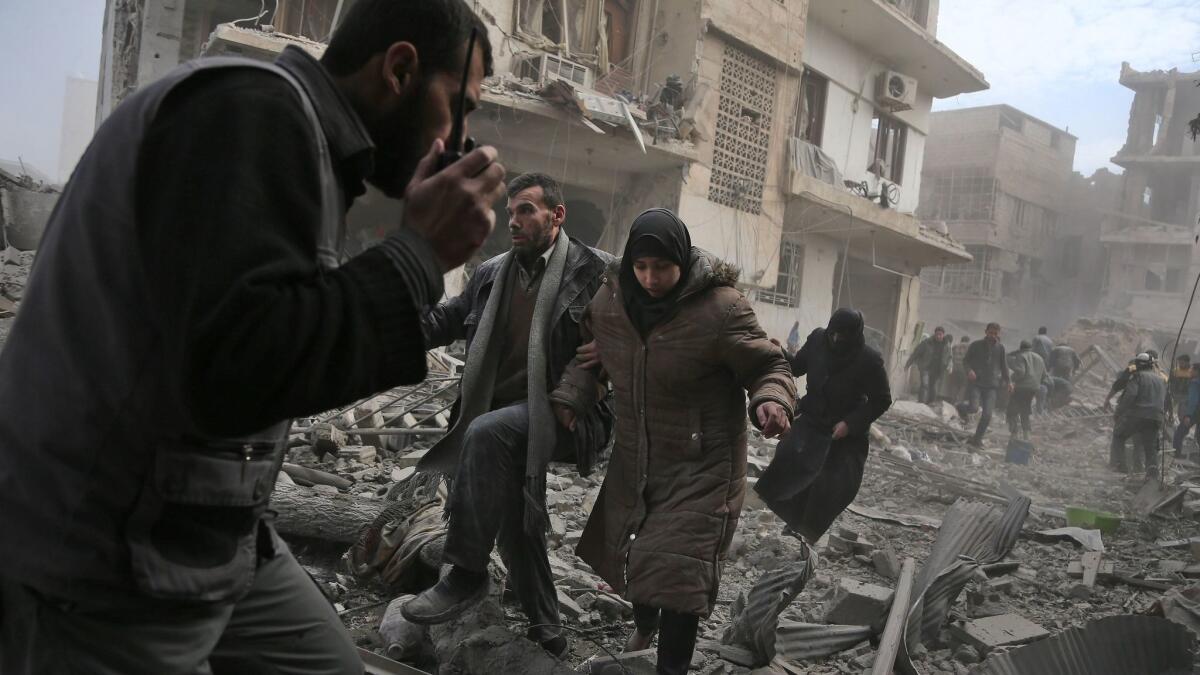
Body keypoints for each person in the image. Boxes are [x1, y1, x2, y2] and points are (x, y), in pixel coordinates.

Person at [0, 2, 505, 672]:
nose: (459, 141)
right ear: (401, 70)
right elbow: (235, 369)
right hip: (103, 553)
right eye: (458, 106)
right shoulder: (251, 112)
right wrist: (416, 256)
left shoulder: (297, 137)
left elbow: (269, 335)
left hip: (204, 528)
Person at [547, 209, 794, 675]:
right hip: (639, 459)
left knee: (680, 574)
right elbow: (593, 357)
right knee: (640, 555)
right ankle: (644, 627)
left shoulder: (721, 309)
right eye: (641, 267)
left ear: (681, 260)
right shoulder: (613, 300)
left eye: (661, 267)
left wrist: (771, 400)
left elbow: (768, 365)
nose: (650, 278)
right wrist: (571, 397)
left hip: (705, 465)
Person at [400, 172, 614, 657]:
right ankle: (547, 626)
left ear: (556, 216)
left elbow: (659, 301)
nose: (513, 221)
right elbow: (446, 320)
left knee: (486, 433)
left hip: (567, 415)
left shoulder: (597, 272)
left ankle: (466, 573)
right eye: (511, 211)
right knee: (517, 520)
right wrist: (393, 319)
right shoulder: (491, 272)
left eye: (526, 211)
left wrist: (614, 346)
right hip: (502, 416)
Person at [756, 309, 893, 548]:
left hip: (843, 431)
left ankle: (807, 535)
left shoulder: (869, 360)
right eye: (834, 334)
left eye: (843, 336)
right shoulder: (818, 339)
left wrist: (850, 424)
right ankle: (793, 524)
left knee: (831, 484)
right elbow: (797, 366)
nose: (837, 340)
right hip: (812, 420)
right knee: (791, 463)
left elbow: (881, 400)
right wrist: (781, 353)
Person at [1111, 353, 1168, 477]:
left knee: (1119, 436)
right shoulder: (1161, 379)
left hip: (1138, 415)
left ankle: (1121, 467)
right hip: (1156, 417)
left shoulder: (1137, 376)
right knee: (1150, 447)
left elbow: (1130, 395)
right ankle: (1152, 474)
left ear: (1137, 364)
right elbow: (1166, 399)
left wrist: (1119, 412)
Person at [963, 323, 1012, 448]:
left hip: (991, 386)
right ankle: (960, 408)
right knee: (973, 408)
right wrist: (969, 370)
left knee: (987, 415)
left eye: (995, 334)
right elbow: (966, 361)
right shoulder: (976, 345)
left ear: (999, 334)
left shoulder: (1000, 348)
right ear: (986, 332)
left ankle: (977, 439)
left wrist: (1009, 382)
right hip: (976, 383)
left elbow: (1004, 367)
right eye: (991, 333)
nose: (993, 336)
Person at [1006, 341, 1046, 440]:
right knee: (1025, 411)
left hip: (1022, 388)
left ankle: (1014, 435)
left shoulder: (1021, 356)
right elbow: (1044, 375)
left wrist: (1012, 378)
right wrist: (1035, 382)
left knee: (1012, 411)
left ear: (1021, 348)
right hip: (1034, 388)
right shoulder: (1040, 358)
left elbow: (1021, 372)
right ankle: (1026, 437)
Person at [906, 326, 952, 404]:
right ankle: (921, 402)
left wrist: (950, 366)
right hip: (925, 367)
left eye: (940, 334)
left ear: (943, 335)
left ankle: (930, 402)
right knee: (925, 385)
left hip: (937, 369)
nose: (938, 336)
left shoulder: (947, 345)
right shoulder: (927, 342)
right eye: (937, 334)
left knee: (933, 386)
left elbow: (950, 357)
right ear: (934, 334)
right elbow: (916, 353)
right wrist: (908, 364)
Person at [1174, 363, 1200, 455]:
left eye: (1192, 369)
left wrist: (1188, 415)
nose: (1190, 371)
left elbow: (1193, 400)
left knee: (1179, 433)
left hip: (1195, 412)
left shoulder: (1195, 383)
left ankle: (1176, 454)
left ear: (1197, 371)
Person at [948, 335, 972, 403]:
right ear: (968, 341)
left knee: (954, 385)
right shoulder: (969, 347)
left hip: (955, 368)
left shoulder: (955, 346)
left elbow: (950, 356)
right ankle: (959, 402)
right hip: (964, 369)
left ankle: (952, 401)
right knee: (963, 386)